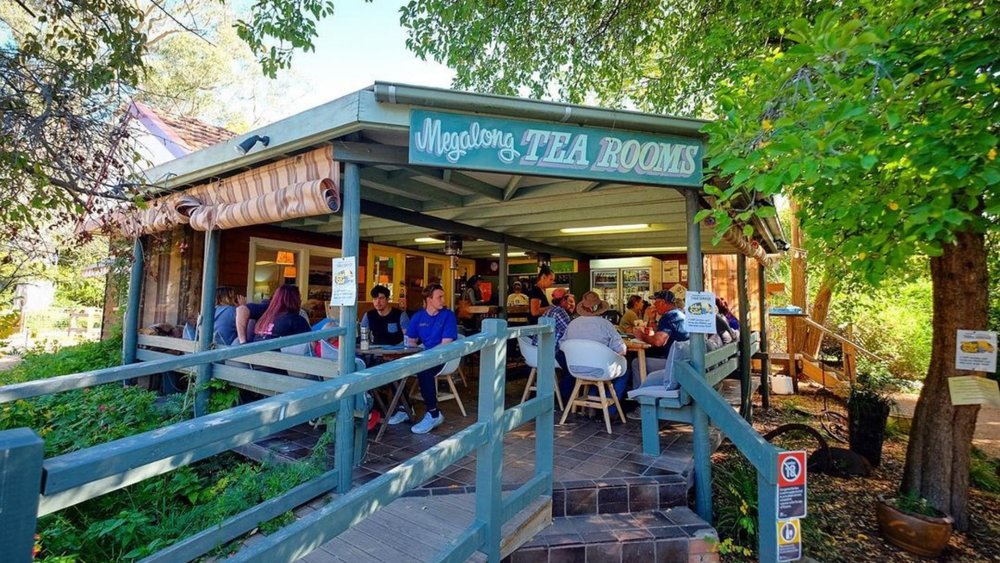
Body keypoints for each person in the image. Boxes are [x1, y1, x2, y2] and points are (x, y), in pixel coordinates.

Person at [394, 283, 458, 434]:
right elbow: (410, 340)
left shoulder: (448, 315)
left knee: (424, 369)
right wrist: (414, 351)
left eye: (443, 297)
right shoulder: (418, 317)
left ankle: (434, 413)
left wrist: (423, 355)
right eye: (439, 297)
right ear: (429, 299)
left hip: (445, 358)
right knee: (394, 366)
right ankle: (405, 407)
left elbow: (446, 344)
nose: (443, 300)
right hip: (424, 355)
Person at [564, 291, 629, 410]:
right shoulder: (605, 324)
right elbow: (622, 350)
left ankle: (592, 402)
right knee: (624, 371)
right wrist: (607, 354)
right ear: (599, 308)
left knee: (596, 373)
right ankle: (611, 409)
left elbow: (563, 345)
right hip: (601, 370)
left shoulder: (572, 324)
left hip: (575, 369)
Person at [630, 289, 690, 390]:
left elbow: (658, 341)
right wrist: (652, 320)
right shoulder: (679, 314)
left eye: (655, 302)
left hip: (673, 364)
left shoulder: (668, 316)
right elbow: (660, 334)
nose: (654, 305)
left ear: (662, 302)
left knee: (636, 362)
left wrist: (640, 336)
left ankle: (639, 396)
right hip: (683, 362)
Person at [529, 288, 575, 396]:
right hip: (550, 353)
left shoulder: (549, 310)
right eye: (568, 300)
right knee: (574, 367)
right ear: (564, 300)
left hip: (536, 352)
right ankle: (565, 397)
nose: (570, 303)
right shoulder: (560, 312)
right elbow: (571, 333)